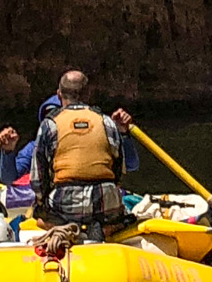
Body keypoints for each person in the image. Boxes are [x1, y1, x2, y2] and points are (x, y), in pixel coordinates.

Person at [30, 70, 138, 240]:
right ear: (89, 94)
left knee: (39, 218)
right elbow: (120, 170)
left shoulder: (49, 124)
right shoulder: (107, 121)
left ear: (59, 95)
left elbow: (37, 179)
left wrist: (42, 203)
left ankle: (73, 228)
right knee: (116, 210)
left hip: (65, 206)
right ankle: (106, 228)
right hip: (105, 202)